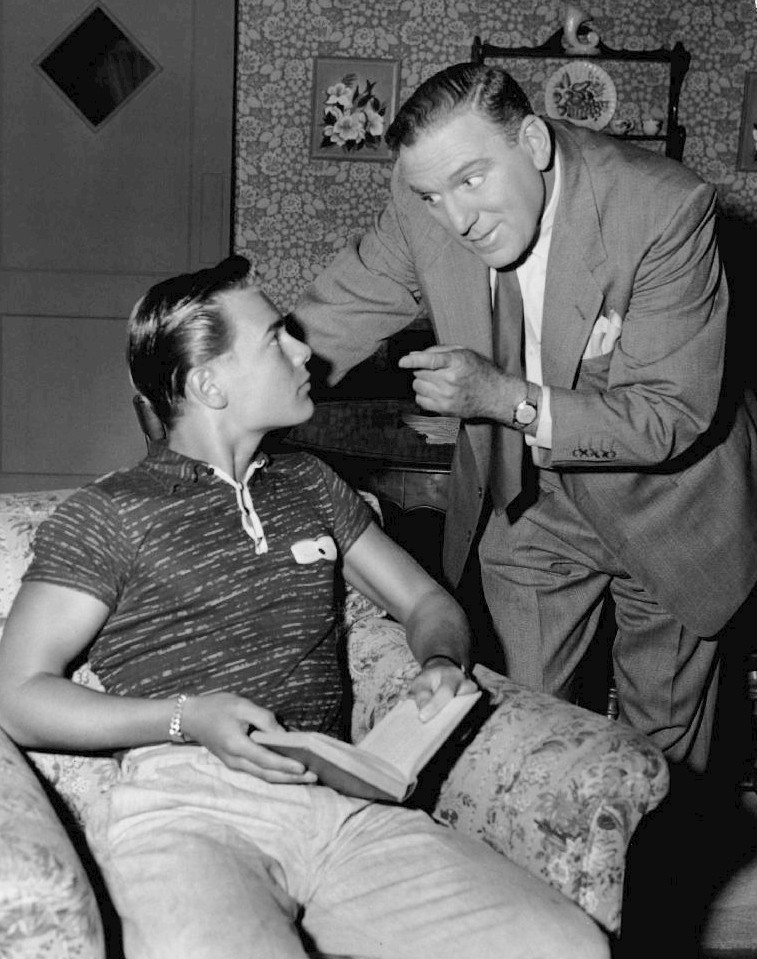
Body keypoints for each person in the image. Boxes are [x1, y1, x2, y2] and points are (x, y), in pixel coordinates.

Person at [0, 255, 606, 959]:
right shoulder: (111, 512)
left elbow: (424, 602)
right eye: (275, 338)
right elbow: (16, 694)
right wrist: (186, 717)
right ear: (209, 384)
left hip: (338, 798)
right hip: (187, 808)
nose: (303, 352)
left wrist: (441, 659)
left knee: (565, 944)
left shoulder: (310, 484)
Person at [293, 62, 757, 776]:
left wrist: (502, 398)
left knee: (659, 761)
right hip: (529, 501)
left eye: (472, 180)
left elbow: (669, 414)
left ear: (534, 143)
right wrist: (224, 384)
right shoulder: (425, 200)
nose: (457, 219)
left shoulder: (663, 207)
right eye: (432, 196)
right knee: (527, 738)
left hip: (669, 502)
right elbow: (335, 313)